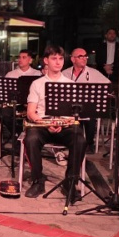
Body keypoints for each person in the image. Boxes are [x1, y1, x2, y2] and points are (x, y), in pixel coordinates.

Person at [23, 45, 87, 199]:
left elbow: (75, 114)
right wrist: (47, 123)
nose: (58, 62)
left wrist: (62, 123)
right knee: (31, 139)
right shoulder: (37, 83)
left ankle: (70, 182)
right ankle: (38, 181)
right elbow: (31, 112)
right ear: (46, 61)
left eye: (60, 58)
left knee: (80, 140)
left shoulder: (71, 85)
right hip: (42, 123)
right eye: (54, 58)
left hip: (64, 124)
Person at [62, 47, 110, 150]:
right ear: (73, 59)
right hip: (70, 107)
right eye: (81, 56)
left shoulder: (94, 72)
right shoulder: (65, 73)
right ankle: (73, 142)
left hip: (88, 106)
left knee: (90, 114)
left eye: (85, 56)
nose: (84, 58)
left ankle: (89, 143)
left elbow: (108, 86)